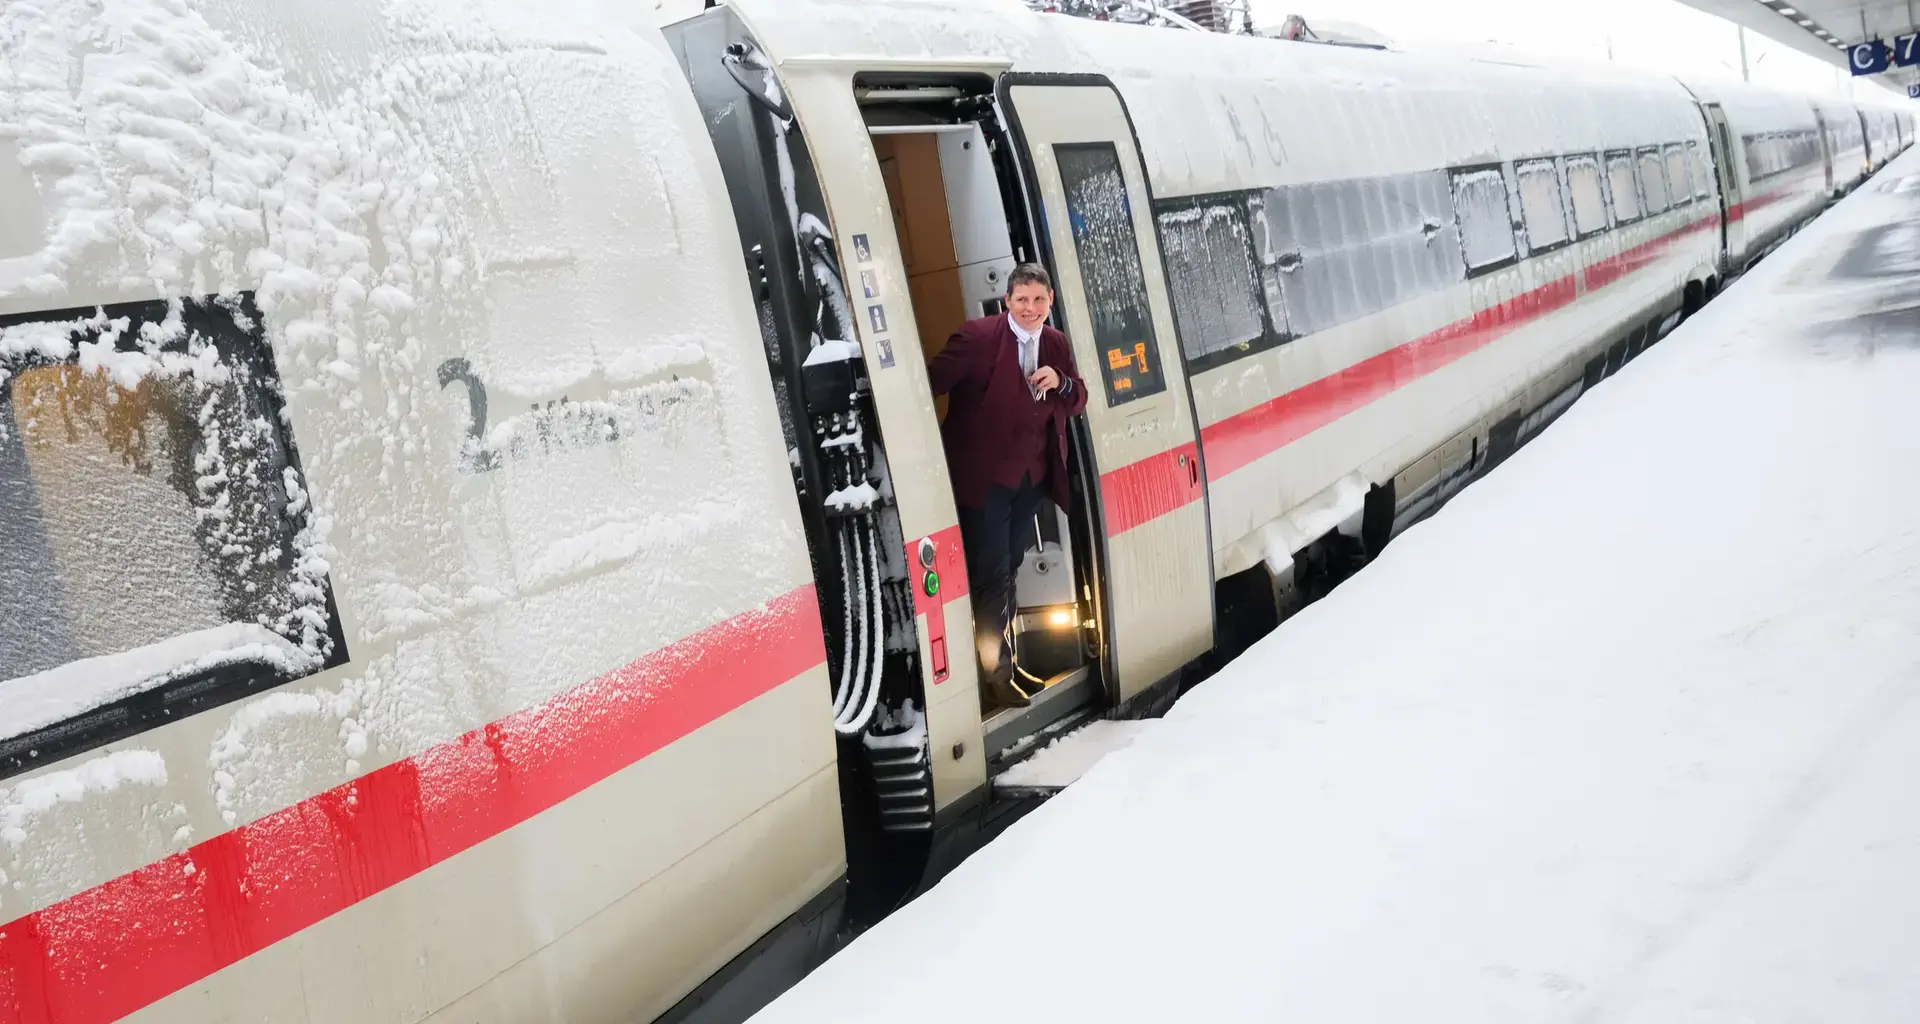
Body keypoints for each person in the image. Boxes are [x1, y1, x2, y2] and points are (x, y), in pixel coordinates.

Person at [928, 264, 1087, 709]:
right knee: (992, 574)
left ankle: (1006, 663)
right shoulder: (976, 338)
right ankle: (994, 675)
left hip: (1030, 479)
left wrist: (1063, 382)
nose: (1031, 309)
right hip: (982, 480)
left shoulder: (1055, 344)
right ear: (1007, 302)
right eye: (1022, 301)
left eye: (1038, 300)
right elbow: (927, 385)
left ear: (1050, 300)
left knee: (1009, 569)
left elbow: (1079, 399)